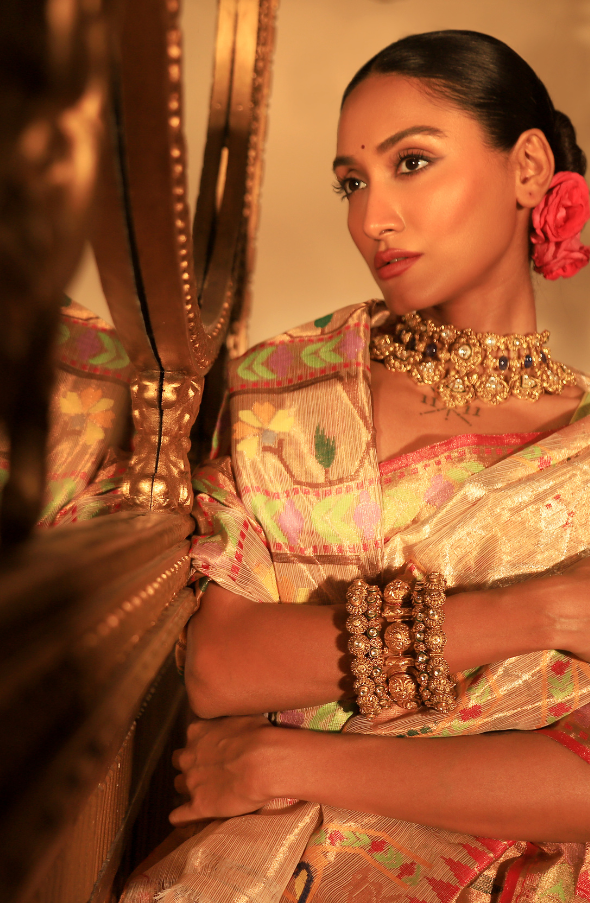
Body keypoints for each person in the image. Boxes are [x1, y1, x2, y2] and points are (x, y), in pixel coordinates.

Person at [122, 30, 590, 903]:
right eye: (353, 181)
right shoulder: (294, 388)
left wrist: (293, 756)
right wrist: (542, 609)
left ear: (529, 169)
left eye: (411, 162)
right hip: (258, 871)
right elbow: (223, 664)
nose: (371, 218)